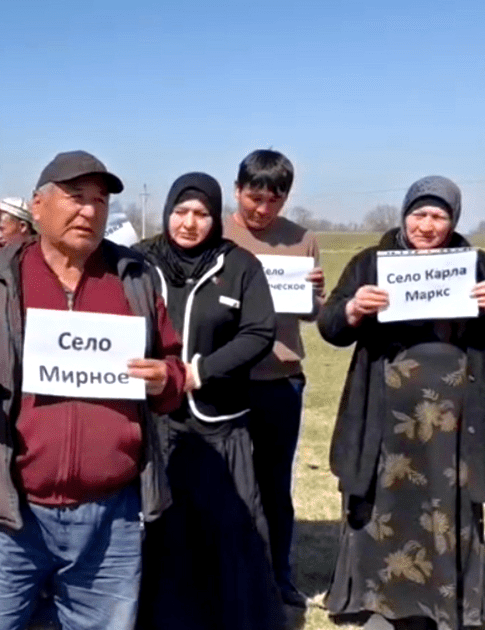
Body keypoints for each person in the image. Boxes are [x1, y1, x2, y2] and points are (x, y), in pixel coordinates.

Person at [0, 150, 186, 630]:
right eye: (76, 197)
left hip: (111, 517)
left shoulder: (134, 278)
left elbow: (173, 371)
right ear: (38, 206)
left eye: (100, 201)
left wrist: (165, 379)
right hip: (12, 513)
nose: (89, 211)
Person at [320, 176, 485, 630]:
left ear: (453, 221)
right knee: (384, 502)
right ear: (404, 214)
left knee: (445, 505)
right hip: (385, 416)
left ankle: (445, 606)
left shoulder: (477, 265)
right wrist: (353, 309)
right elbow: (330, 326)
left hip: (455, 424)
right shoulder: (371, 262)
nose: (427, 225)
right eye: (419, 214)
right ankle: (378, 604)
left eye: (438, 216)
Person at [133, 172, 284, 630]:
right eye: (181, 211)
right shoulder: (138, 262)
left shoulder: (239, 265)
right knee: (164, 529)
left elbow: (258, 332)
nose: (189, 223)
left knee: (229, 530)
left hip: (219, 422)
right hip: (154, 422)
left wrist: (200, 372)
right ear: (167, 212)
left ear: (215, 217)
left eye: (201, 214)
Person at [222, 149, 324, 606]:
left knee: (274, 485)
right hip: (226, 377)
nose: (263, 210)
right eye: (254, 198)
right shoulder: (216, 233)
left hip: (281, 377)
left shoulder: (303, 239)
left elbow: (313, 313)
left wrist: (314, 295)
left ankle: (278, 576)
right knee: (223, 482)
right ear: (237, 190)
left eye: (274, 201)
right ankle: (224, 574)